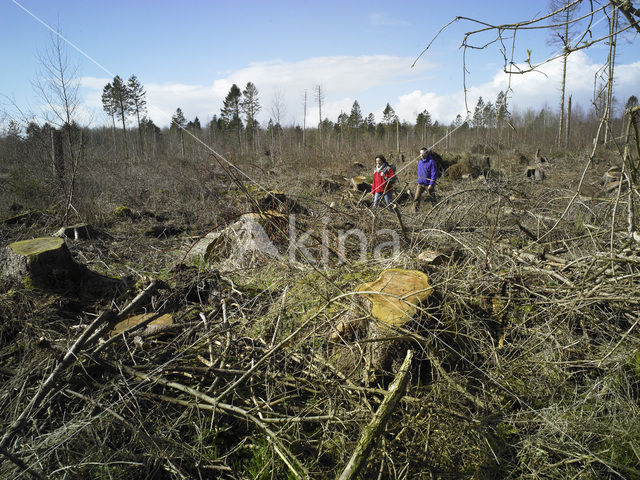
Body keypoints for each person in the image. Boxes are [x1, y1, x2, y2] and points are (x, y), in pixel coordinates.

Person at [413, 147, 438, 212]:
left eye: (422, 153)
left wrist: (431, 184)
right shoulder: (420, 162)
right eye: (420, 153)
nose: (421, 155)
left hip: (428, 184)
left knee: (432, 198)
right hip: (420, 184)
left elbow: (434, 174)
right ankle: (415, 212)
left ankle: (436, 211)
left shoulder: (431, 162)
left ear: (427, 153)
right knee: (416, 198)